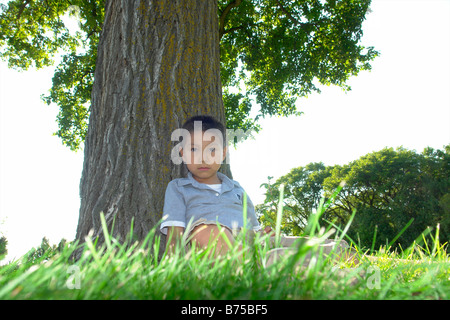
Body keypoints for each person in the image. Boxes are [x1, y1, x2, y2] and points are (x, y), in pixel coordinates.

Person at [161, 115, 357, 265]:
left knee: (292, 241)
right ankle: (257, 265)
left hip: (250, 240)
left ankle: (333, 255)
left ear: (223, 153)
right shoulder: (179, 188)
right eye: (194, 150)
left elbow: (253, 228)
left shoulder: (236, 188)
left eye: (212, 150)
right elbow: (175, 235)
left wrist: (263, 233)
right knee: (209, 232)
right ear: (182, 153)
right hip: (209, 243)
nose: (203, 158)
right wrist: (171, 268)